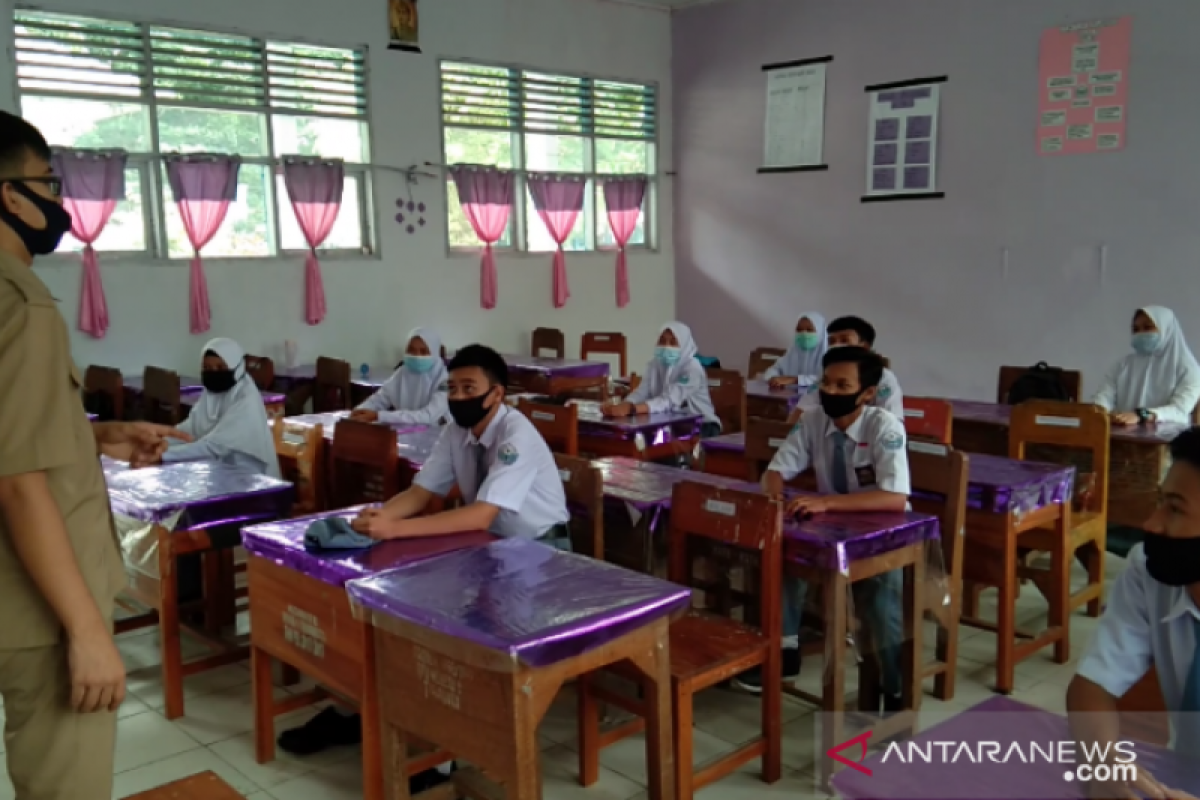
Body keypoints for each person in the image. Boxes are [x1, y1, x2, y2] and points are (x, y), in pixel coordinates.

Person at [0, 109, 188, 800]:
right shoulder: (20, 303)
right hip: (38, 607)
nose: (56, 201)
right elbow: (18, 483)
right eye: (46, 182)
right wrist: (85, 630)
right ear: (9, 195)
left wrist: (95, 436)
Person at [280, 345, 570, 781]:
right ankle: (353, 709)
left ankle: (443, 753)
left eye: (469, 388)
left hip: (540, 555)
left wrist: (397, 531)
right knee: (394, 601)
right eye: (452, 388)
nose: (458, 397)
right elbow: (420, 492)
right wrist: (380, 518)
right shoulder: (457, 430)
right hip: (487, 546)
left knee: (457, 625)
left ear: (497, 394)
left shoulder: (516, 436)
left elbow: (481, 513)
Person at [733, 347, 909, 709]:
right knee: (780, 550)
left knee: (878, 597)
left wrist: (827, 502)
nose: (831, 391)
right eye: (826, 382)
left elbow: (893, 497)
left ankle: (891, 686)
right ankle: (785, 651)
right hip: (832, 524)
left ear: (868, 393)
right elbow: (777, 472)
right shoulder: (813, 420)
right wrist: (776, 499)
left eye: (843, 385)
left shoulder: (884, 426)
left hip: (881, 528)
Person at [1067, 426, 1200, 800]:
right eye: (1160, 502)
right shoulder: (1149, 572)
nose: (1151, 524)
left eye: (1175, 509)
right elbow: (1091, 686)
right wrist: (1102, 766)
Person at [149, 338, 281, 478]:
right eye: (207, 368)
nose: (214, 373)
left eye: (221, 368)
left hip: (252, 480)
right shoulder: (212, 394)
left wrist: (163, 455)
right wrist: (157, 442)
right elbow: (189, 431)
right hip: (218, 472)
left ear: (238, 368)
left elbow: (215, 447)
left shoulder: (246, 399)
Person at [603, 321, 722, 436]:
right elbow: (641, 393)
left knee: (663, 447)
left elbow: (669, 400)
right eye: (662, 341)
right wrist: (623, 405)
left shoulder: (692, 368)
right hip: (671, 421)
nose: (666, 346)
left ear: (684, 344)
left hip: (703, 424)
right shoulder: (655, 364)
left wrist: (631, 409)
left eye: (673, 342)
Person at [1093, 306, 1200, 427]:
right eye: (1136, 329)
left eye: (1148, 327)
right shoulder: (1123, 365)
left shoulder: (1188, 368)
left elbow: (1179, 410)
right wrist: (1101, 412)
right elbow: (1103, 397)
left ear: (1167, 330)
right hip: (1123, 435)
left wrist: (1141, 415)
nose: (1140, 334)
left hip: (1168, 440)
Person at [792, 315, 904, 422]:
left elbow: (891, 422)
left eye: (844, 340)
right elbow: (801, 412)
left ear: (864, 347)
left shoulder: (884, 378)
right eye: (831, 342)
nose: (836, 346)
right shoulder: (826, 375)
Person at [349, 327, 448, 426]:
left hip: (437, 436)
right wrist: (360, 411)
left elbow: (427, 416)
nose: (417, 356)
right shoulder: (403, 371)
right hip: (406, 432)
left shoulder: (445, 380)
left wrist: (379, 416)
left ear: (434, 353)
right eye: (411, 350)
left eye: (423, 351)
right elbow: (381, 398)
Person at [762, 311, 827, 388]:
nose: (804, 333)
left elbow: (825, 379)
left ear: (820, 333)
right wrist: (774, 378)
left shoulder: (828, 355)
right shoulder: (793, 351)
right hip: (786, 396)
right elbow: (774, 369)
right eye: (799, 330)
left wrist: (795, 380)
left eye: (809, 330)